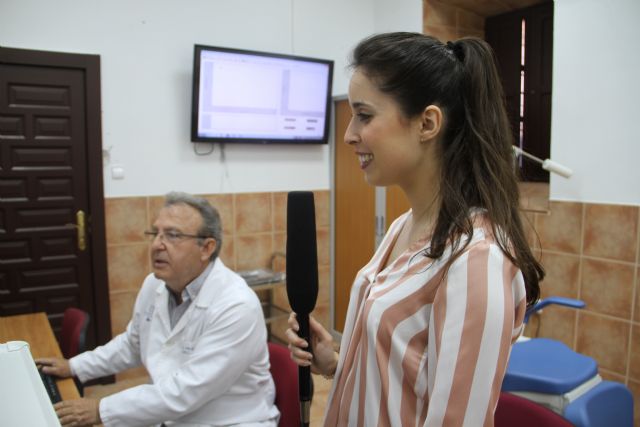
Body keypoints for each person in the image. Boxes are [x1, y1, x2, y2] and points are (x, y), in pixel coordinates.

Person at [286, 32, 544, 426]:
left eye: (365, 115)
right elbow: (403, 387)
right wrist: (336, 363)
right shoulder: (403, 228)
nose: (349, 134)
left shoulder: (476, 261)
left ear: (427, 123)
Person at [37, 192, 279, 427]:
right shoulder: (155, 284)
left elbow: (187, 390)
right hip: (173, 413)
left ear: (206, 248)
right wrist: (75, 367)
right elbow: (133, 344)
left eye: (172, 235)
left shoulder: (236, 306)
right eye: (155, 233)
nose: (156, 245)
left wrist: (101, 409)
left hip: (231, 420)